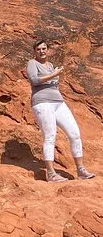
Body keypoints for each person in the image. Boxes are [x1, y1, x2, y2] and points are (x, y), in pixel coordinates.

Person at [26, 40, 95, 182]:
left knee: (75, 134)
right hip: (42, 103)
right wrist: (54, 74)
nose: (42, 51)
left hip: (58, 102)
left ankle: (81, 170)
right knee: (50, 136)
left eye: (44, 48)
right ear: (35, 51)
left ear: (48, 50)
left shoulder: (50, 65)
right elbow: (34, 80)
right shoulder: (32, 63)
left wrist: (54, 73)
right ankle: (51, 174)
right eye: (38, 49)